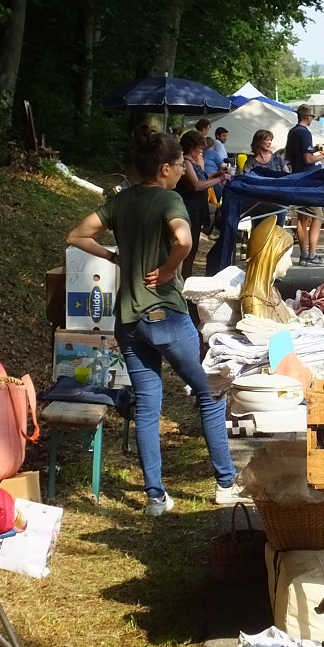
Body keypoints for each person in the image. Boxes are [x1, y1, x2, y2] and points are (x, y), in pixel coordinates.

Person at [65, 126, 240, 516]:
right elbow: (183, 240)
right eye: (180, 164)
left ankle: (155, 498)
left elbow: (76, 235)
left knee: (147, 407)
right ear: (164, 168)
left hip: (127, 322)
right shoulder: (169, 199)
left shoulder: (121, 201)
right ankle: (226, 484)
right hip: (165, 315)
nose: (184, 169)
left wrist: (114, 257)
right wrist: (167, 269)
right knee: (210, 395)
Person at [176, 130, 229, 279]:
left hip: (197, 210)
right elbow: (196, 185)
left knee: (192, 251)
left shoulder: (192, 163)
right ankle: (184, 281)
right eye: (199, 147)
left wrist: (216, 174)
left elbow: (203, 179)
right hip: (189, 211)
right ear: (191, 146)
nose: (201, 151)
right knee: (188, 252)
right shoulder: (186, 162)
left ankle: (186, 279)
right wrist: (220, 179)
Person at [284, 104, 324, 267]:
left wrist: (314, 150)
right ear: (307, 117)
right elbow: (308, 159)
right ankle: (312, 254)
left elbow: (293, 154)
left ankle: (304, 254)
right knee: (318, 216)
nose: (313, 119)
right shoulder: (304, 133)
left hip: (297, 178)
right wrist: (323, 154)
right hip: (307, 179)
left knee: (302, 218)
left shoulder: (292, 132)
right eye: (312, 117)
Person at [239, 215, 295, 322]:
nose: (290, 263)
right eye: (287, 256)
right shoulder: (254, 303)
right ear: (273, 256)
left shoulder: (271, 294)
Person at [242, 129, 288, 226]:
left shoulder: (277, 159)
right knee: (259, 231)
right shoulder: (250, 162)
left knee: (277, 231)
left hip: (278, 202)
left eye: (270, 140)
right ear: (258, 142)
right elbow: (246, 182)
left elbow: (288, 177)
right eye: (266, 140)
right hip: (259, 204)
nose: (269, 142)